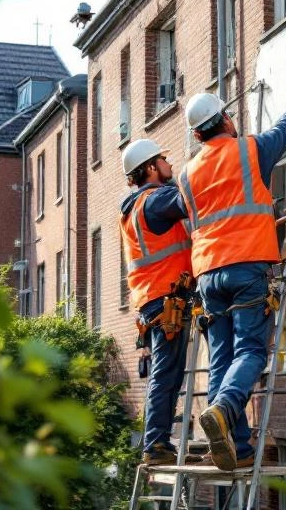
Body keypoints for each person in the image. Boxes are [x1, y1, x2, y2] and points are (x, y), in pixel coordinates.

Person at [175, 73, 286, 471]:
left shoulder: (186, 174)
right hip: (247, 265)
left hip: (207, 276)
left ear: (198, 136)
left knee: (222, 358)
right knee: (251, 350)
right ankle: (225, 410)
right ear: (227, 120)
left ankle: (237, 446)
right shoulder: (250, 150)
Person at [119, 138, 200, 466]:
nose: (169, 163)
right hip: (167, 300)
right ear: (151, 168)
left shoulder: (133, 208)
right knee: (167, 374)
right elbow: (192, 199)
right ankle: (155, 444)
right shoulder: (157, 200)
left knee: (166, 373)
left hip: (153, 300)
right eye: (164, 159)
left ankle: (157, 442)